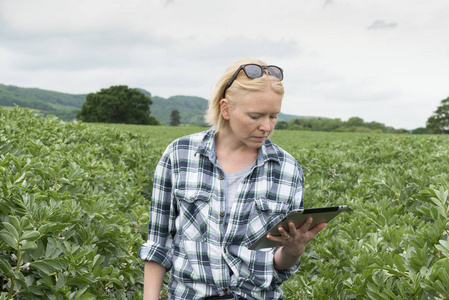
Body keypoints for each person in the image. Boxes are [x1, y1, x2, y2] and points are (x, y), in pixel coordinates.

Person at [139, 58, 327, 300]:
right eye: (255, 116)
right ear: (226, 109)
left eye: (273, 116)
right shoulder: (180, 154)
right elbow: (158, 244)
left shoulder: (287, 169)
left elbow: (279, 262)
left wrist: (294, 250)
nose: (266, 127)